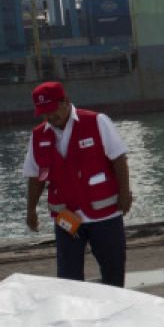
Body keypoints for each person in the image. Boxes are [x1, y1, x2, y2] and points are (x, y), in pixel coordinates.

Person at [23, 81, 133, 287]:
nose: (49, 117)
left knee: (113, 271)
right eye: (43, 113)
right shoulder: (38, 136)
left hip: (105, 215)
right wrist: (31, 210)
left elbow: (119, 159)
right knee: (69, 278)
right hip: (66, 218)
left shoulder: (97, 122)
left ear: (65, 101)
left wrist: (125, 194)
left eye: (52, 110)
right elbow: (35, 176)